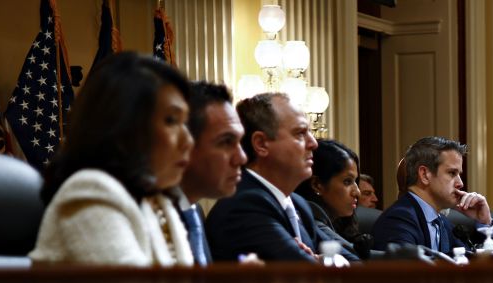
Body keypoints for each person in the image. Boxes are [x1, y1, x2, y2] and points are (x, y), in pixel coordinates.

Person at [29, 52, 194, 266]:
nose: (188, 141)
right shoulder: (90, 191)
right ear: (125, 125)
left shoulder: (157, 201)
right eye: (171, 121)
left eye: (185, 123)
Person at [205, 92, 356, 263]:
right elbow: (307, 273)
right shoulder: (244, 205)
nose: (313, 143)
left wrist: (328, 260)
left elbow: (354, 264)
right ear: (261, 144)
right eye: (300, 133)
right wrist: (323, 262)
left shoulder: (298, 204)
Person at [371, 136, 493, 255]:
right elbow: (411, 273)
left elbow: (478, 264)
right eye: (452, 173)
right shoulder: (398, 220)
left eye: (459, 174)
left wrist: (484, 221)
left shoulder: (442, 223)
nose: (460, 183)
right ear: (424, 175)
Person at [174, 81, 246, 266]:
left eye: (239, 142)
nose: (241, 158)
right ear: (184, 144)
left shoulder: (193, 211)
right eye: (226, 142)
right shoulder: (147, 214)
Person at [295, 139, 366, 252]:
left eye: (356, 181)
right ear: (317, 185)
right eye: (347, 182)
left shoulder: (339, 223)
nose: (357, 192)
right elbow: (353, 257)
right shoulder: (312, 222)